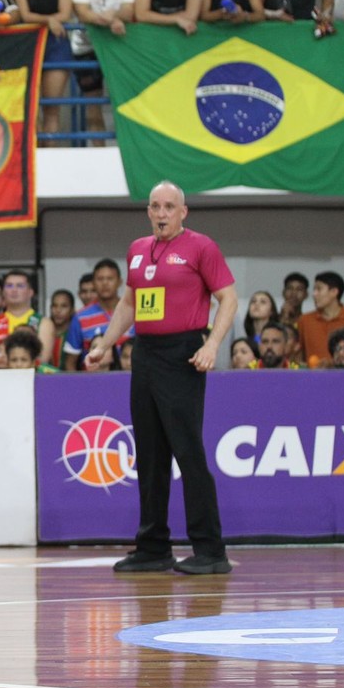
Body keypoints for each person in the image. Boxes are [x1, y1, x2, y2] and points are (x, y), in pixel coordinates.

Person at [85, 181, 237, 575]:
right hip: (146, 354)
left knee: (188, 452)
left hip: (183, 352)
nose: (162, 213)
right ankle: (153, 547)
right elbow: (129, 303)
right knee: (150, 455)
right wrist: (105, 343)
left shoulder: (201, 247)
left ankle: (210, 550)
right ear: (149, 211)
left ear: (183, 212)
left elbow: (229, 297)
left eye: (170, 206)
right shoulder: (137, 250)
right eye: (155, 206)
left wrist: (211, 344)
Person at [70, 0, 138, 145]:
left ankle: (128, 151)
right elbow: (81, 13)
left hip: (120, 47)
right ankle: (98, 151)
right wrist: (113, 19)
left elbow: (130, 10)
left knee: (127, 101)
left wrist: (103, 17)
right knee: (92, 102)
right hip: (86, 46)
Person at [16, 0, 72, 145]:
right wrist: (49, 20)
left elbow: (65, 13)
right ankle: (33, 152)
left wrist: (49, 20)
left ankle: (50, 152)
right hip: (29, 42)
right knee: (30, 105)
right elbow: (24, 14)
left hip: (56, 43)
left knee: (51, 106)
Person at [63, 259, 131, 370]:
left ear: (120, 282)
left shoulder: (133, 312)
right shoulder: (80, 317)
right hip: (92, 382)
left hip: (131, 382)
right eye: (100, 279)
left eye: (110, 279)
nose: (105, 283)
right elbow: (70, 362)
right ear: (93, 283)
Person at [297, 271, 344, 366]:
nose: (314, 294)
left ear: (334, 292)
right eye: (314, 290)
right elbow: (300, 354)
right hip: (312, 377)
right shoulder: (304, 321)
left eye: (319, 289)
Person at [0, 269, 40, 367]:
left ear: (30, 292)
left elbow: (42, 358)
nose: (14, 290)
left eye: (20, 285)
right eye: (9, 285)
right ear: (3, 292)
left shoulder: (43, 322)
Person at [38, 289, 75, 370]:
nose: (58, 310)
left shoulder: (75, 334)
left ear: (72, 309)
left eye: (64, 306)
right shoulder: (42, 332)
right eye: (54, 306)